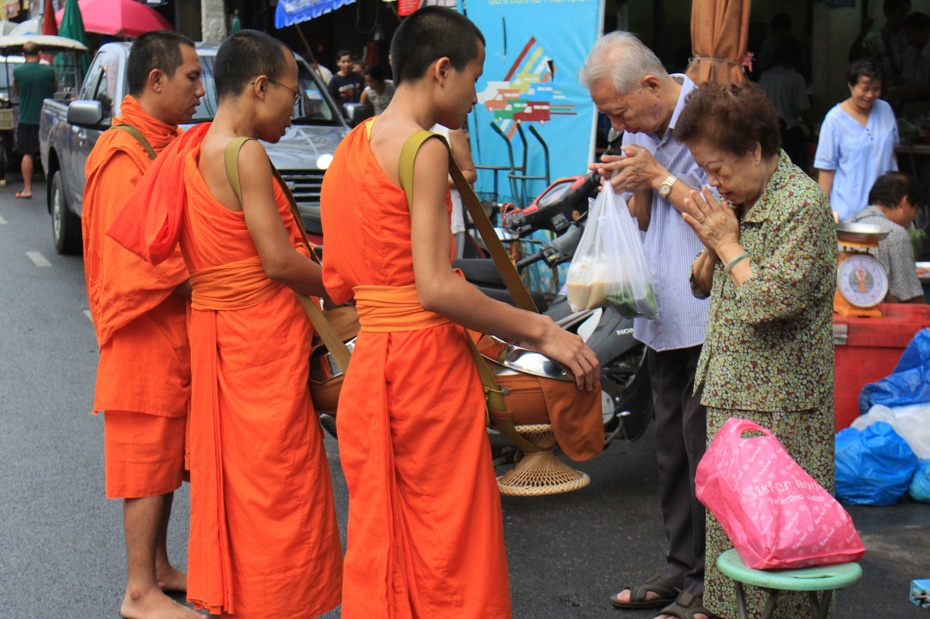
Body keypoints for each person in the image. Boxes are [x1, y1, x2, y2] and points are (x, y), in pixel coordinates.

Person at [320, 7, 599, 617]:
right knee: (449, 545)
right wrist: (543, 330)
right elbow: (437, 289)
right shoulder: (424, 149)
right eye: (474, 76)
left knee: (387, 538)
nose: (477, 96)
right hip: (425, 371)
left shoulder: (351, 146)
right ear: (442, 70)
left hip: (373, 372)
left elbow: (338, 279)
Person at [109, 30, 343, 618]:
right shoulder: (243, 153)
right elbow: (277, 260)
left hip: (220, 333)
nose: (294, 108)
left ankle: (243, 595)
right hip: (258, 335)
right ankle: (275, 599)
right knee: (279, 477)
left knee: (240, 481)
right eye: (291, 93)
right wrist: (347, 281)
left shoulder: (193, 148)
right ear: (260, 86)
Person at [677, 80, 837, 619]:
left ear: (755, 150)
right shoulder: (742, 198)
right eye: (705, 169)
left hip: (781, 408)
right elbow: (704, 287)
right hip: (729, 392)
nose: (713, 180)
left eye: (719, 167)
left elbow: (770, 302)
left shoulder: (802, 206)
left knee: (782, 540)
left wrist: (726, 243)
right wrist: (710, 250)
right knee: (732, 536)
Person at [579, 31, 711, 619]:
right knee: (669, 447)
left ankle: (711, 581)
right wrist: (623, 182)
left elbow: (730, 209)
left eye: (620, 110)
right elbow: (644, 212)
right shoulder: (638, 127)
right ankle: (680, 569)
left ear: (652, 85)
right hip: (660, 305)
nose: (619, 122)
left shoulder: (714, 115)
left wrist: (657, 175)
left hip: (710, 308)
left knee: (705, 447)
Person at [82, 31, 203, 619]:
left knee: (163, 461)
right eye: (192, 78)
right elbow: (135, 255)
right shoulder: (122, 153)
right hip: (140, 333)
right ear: (156, 81)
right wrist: (217, 279)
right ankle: (138, 591)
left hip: (169, 331)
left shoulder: (162, 144)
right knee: (144, 460)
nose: (201, 91)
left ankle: (157, 567)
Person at [814, 58, 899, 223]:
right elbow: (826, 170)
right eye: (865, 88)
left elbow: (892, 155)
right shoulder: (834, 120)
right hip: (848, 214)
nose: (870, 95)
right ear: (850, 85)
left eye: (876, 89)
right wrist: (823, 214)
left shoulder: (885, 110)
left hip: (885, 212)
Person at [851, 172, 927, 303]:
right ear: (905, 201)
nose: (913, 217)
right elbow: (910, 298)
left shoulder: (848, 225)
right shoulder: (895, 233)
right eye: (915, 208)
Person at [758, 38, 814, 173]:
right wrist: (812, 129)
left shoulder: (765, 76)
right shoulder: (795, 78)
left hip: (767, 132)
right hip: (789, 133)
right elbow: (803, 109)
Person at [12, 42, 56, 200]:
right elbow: (54, 88)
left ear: (23, 55)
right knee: (52, 155)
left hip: (27, 118)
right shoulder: (50, 71)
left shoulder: (17, 72)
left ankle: (27, 189)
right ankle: (53, 190)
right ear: (40, 54)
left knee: (27, 154)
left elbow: (16, 90)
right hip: (48, 118)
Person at [430, 123, 476, 256]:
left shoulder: (450, 131)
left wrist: (439, 183)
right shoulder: (406, 129)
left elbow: (470, 172)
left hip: (451, 222)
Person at [849, 0, 912, 89]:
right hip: (884, 90)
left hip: (908, 92)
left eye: (907, 11)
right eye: (901, 11)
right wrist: (863, 32)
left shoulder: (911, 37)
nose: (905, 15)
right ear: (888, 13)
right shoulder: (875, 39)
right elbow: (853, 58)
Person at [889, 11, 930, 118]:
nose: (908, 40)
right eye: (906, 35)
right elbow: (906, 77)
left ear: (924, 31)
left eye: (911, 35)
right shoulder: (909, 53)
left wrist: (908, 91)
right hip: (910, 106)